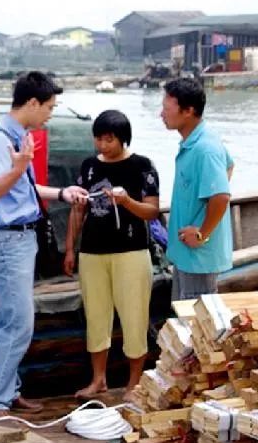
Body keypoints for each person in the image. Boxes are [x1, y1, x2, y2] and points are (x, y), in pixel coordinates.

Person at [0, 71, 88, 416]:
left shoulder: (19, 136)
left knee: (11, 320)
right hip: (7, 241)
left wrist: (61, 193)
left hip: (20, 239)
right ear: (32, 103)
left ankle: (7, 391)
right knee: (18, 323)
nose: (50, 114)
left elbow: (22, 186)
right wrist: (19, 166)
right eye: (49, 107)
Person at [63, 110, 160, 403]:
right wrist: (70, 249)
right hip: (92, 253)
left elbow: (152, 211)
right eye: (98, 139)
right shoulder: (89, 166)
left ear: (122, 139)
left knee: (134, 316)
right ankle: (98, 379)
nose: (102, 145)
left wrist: (126, 201)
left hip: (131, 252)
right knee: (96, 316)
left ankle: (134, 383)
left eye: (109, 140)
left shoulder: (142, 166)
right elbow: (78, 210)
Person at [161, 78, 234, 301]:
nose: (161, 114)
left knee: (195, 315)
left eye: (166, 109)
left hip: (198, 258)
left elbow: (221, 196)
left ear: (188, 111)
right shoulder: (196, 141)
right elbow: (229, 165)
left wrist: (202, 233)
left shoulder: (205, 148)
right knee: (182, 312)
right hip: (186, 253)